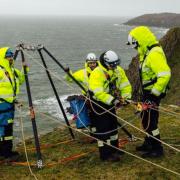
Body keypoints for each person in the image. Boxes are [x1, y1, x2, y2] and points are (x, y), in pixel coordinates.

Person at [127, 26, 171, 158]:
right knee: (145, 118)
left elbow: (165, 75)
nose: (134, 48)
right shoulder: (146, 52)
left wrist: (154, 95)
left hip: (152, 94)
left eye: (134, 45)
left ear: (139, 41)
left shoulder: (154, 53)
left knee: (151, 121)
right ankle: (148, 143)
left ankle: (157, 149)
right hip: (146, 93)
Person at [89, 50, 132, 162]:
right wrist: (113, 100)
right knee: (104, 129)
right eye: (112, 65)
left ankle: (114, 148)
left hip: (110, 102)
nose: (115, 67)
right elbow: (98, 93)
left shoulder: (118, 70)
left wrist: (126, 98)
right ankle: (105, 154)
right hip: (98, 103)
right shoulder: (97, 73)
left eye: (116, 64)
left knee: (113, 126)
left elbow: (125, 85)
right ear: (105, 63)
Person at [0, 47, 26, 160]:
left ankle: (6, 152)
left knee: (8, 129)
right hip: (2, 106)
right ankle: (5, 153)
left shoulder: (12, 71)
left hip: (9, 106)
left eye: (11, 56)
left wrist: (25, 69)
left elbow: (21, 80)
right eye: (8, 56)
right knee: (3, 129)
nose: (10, 58)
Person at [65, 53, 99, 130]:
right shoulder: (83, 73)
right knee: (91, 116)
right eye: (90, 63)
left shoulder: (101, 71)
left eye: (94, 63)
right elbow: (71, 78)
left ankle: (101, 130)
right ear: (87, 63)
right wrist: (68, 73)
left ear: (96, 62)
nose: (92, 65)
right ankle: (94, 133)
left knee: (100, 116)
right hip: (88, 98)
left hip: (100, 97)